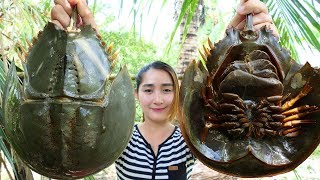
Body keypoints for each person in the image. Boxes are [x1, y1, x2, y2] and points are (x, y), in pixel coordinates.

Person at [51, 0, 278, 179]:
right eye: (148, 90)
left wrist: (244, 48)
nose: (158, 99)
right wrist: (84, 49)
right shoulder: (121, 138)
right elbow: (77, 138)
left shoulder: (190, 138)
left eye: (167, 90)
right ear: (136, 95)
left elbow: (235, 129)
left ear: (177, 94)